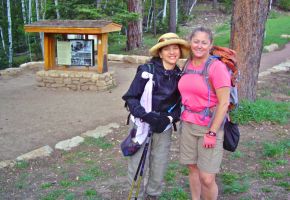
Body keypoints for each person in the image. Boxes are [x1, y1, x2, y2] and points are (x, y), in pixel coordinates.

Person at [122, 32, 189, 200]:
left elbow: (182, 104)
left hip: (164, 126)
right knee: (137, 163)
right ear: (160, 53)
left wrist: (169, 119)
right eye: (167, 49)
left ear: (180, 52)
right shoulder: (147, 71)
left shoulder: (180, 76)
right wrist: (146, 116)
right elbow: (130, 97)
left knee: (159, 163)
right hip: (141, 124)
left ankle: (153, 195)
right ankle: (135, 196)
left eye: (175, 48)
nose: (172, 52)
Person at [178, 27, 231, 200]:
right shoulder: (186, 65)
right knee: (193, 168)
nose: (199, 46)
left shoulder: (217, 68)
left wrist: (212, 132)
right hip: (188, 124)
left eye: (204, 42)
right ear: (190, 42)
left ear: (210, 45)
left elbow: (224, 103)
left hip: (209, 126)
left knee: (207, 178)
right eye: (196, 41)